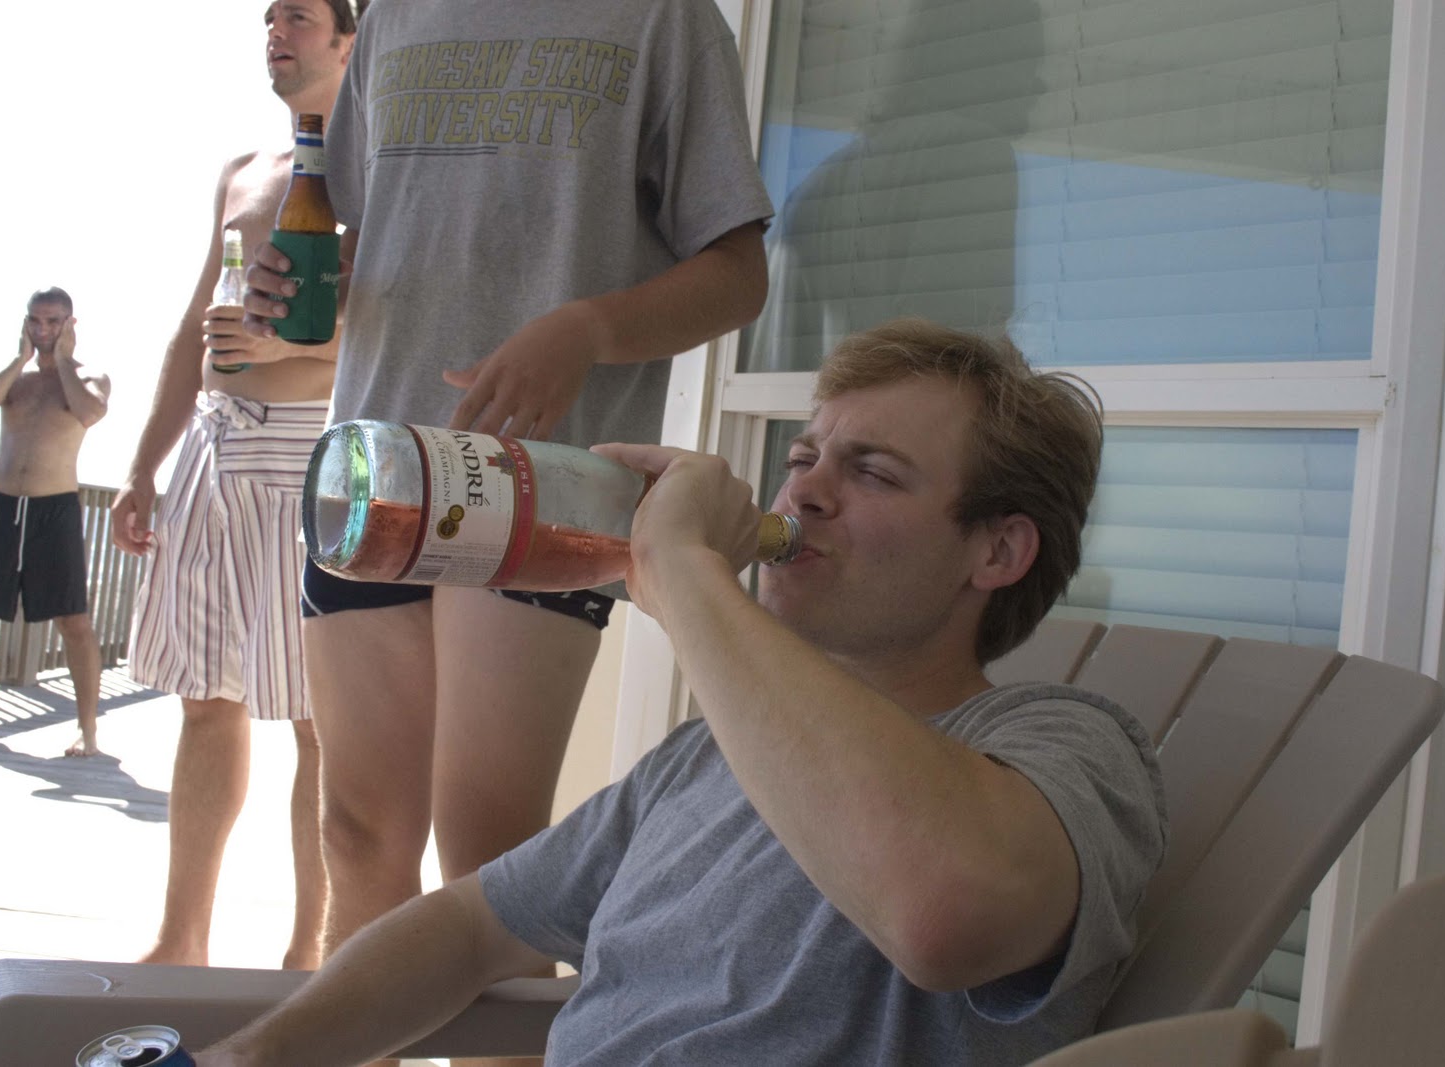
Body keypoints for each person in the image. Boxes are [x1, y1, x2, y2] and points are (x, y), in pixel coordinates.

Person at [193, 319, 1167, 1066]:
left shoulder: (1062, 743)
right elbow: (471, 924)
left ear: (996, 550)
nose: (802, 494)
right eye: (802, 458)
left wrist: (684, 569)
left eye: (871, 472)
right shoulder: (708, 753)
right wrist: (250, 1057)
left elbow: (943, 913)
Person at [240, 0, 777, 1011]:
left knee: (489, 865)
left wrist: (586, 329)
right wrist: (293, 284)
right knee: (357, 835)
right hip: (370, 469)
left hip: (538, 488)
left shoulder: (666, 18)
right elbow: (364, 238)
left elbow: (738, 274)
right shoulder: (394, 15)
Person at [108, 0, 360, 971]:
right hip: (212, 454)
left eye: (298, 16)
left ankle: (310, 953)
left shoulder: (375, 170)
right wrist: (143, 466)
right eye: (267, 18)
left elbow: (390, 325)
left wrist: (285, 346)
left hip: (306, 456)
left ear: (348, 39)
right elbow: (192, 329)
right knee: (203, 698)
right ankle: (183, 940)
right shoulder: (244, 170)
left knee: (320, 719)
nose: (275, 32)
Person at [0, 288, 110, 758]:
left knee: (73, 620)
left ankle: (88, 730)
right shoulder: (17, 378)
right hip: (0, 504)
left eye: (53, 321)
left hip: (55, 509)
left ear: (70, 324)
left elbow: (90, 413)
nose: (42, 330)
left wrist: (62, 360)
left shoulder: (89, 378)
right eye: (35, 320)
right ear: (25, 323)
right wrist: (19, 359)